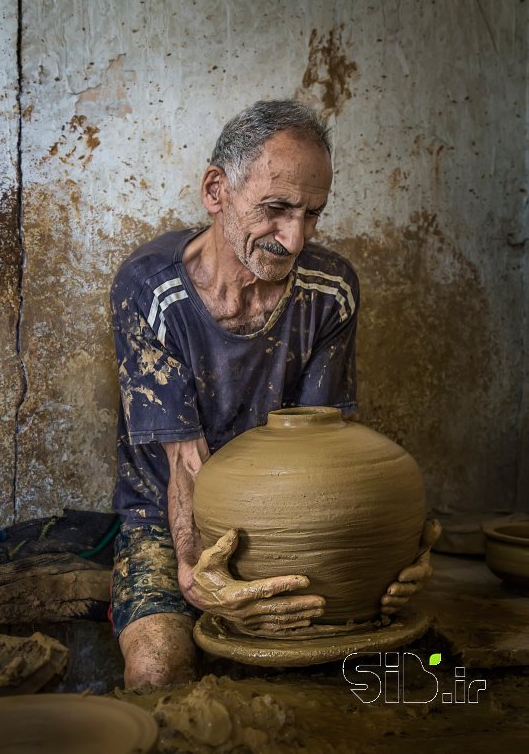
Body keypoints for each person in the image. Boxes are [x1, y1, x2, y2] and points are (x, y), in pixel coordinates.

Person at [110, 99, 438, 688]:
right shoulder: (151, 290)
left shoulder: (329, 290)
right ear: (216, 190)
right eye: (276, 209)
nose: (294, 237)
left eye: (312, 215)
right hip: (168, 520)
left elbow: (330, 452)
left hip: (284, 519)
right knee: (158, 668)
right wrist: (193, 572)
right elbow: (184, 463)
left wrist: (402, 551)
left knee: (349, 671)